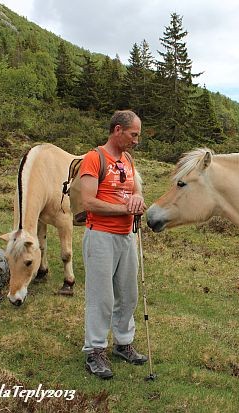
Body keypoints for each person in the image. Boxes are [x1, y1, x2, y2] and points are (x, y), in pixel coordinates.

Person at [79, 110, 147, 379]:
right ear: (118, 130)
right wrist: (124, 208)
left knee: (128, 293)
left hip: (126, 236)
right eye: (133, 134)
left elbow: (135, 190)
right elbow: (88, 202)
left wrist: (138, 200)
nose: (136, 141)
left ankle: (123, 343)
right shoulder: (93, 159)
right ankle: (95, 350)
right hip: (100, 236)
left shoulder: (128, 160)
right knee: (101, 297)